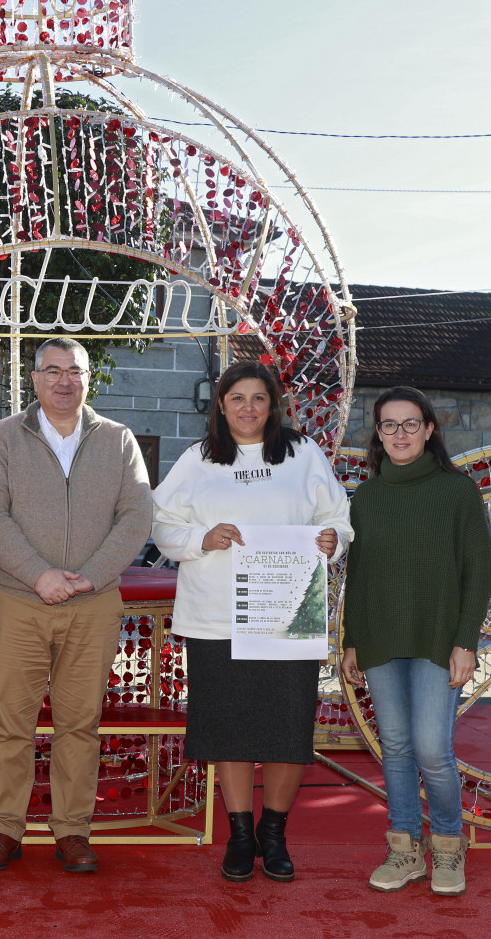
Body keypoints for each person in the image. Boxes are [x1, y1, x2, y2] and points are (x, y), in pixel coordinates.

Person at [152, 360, 352, 883]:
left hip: (288, 614)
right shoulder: (198, 459)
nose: (248, 408)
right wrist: (202, 538)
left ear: (273, 404)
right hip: (217, 620)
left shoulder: (302, 453)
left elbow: (338, 518)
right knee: (232, 731)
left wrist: (333, 541)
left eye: (258, 398)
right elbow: (162, 523)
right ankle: (240, 835)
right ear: (220, 405)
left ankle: (274, 833)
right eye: (236, 398)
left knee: (287, 731)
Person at [0, 336, 151, 873]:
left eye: (74, 370)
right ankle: (4, 829)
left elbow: (136, 517)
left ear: (88, 378)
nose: (64, 380)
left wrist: (90, 578)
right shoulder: (3, 438)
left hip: (93, 604)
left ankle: (72, 831)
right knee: (10, 722)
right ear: (35, 379)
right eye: (53, 371)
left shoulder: (119, 441)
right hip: (16, 599)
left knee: (80, 725)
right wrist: (39, 574)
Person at [341, 386, 491, 896]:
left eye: (410, 424)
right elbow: (356, 577)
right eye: (389, 425)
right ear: (378, 435)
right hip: (380, 639)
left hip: (437, 639)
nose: (399, 433)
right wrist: (351, 641)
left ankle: (449, 845)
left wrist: (465, 641)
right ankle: (405, 848)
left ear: (429, 429)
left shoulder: (457, 491)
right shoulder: (368, 496)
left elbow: (478, 571)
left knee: (432, 749)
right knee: (397, 748)